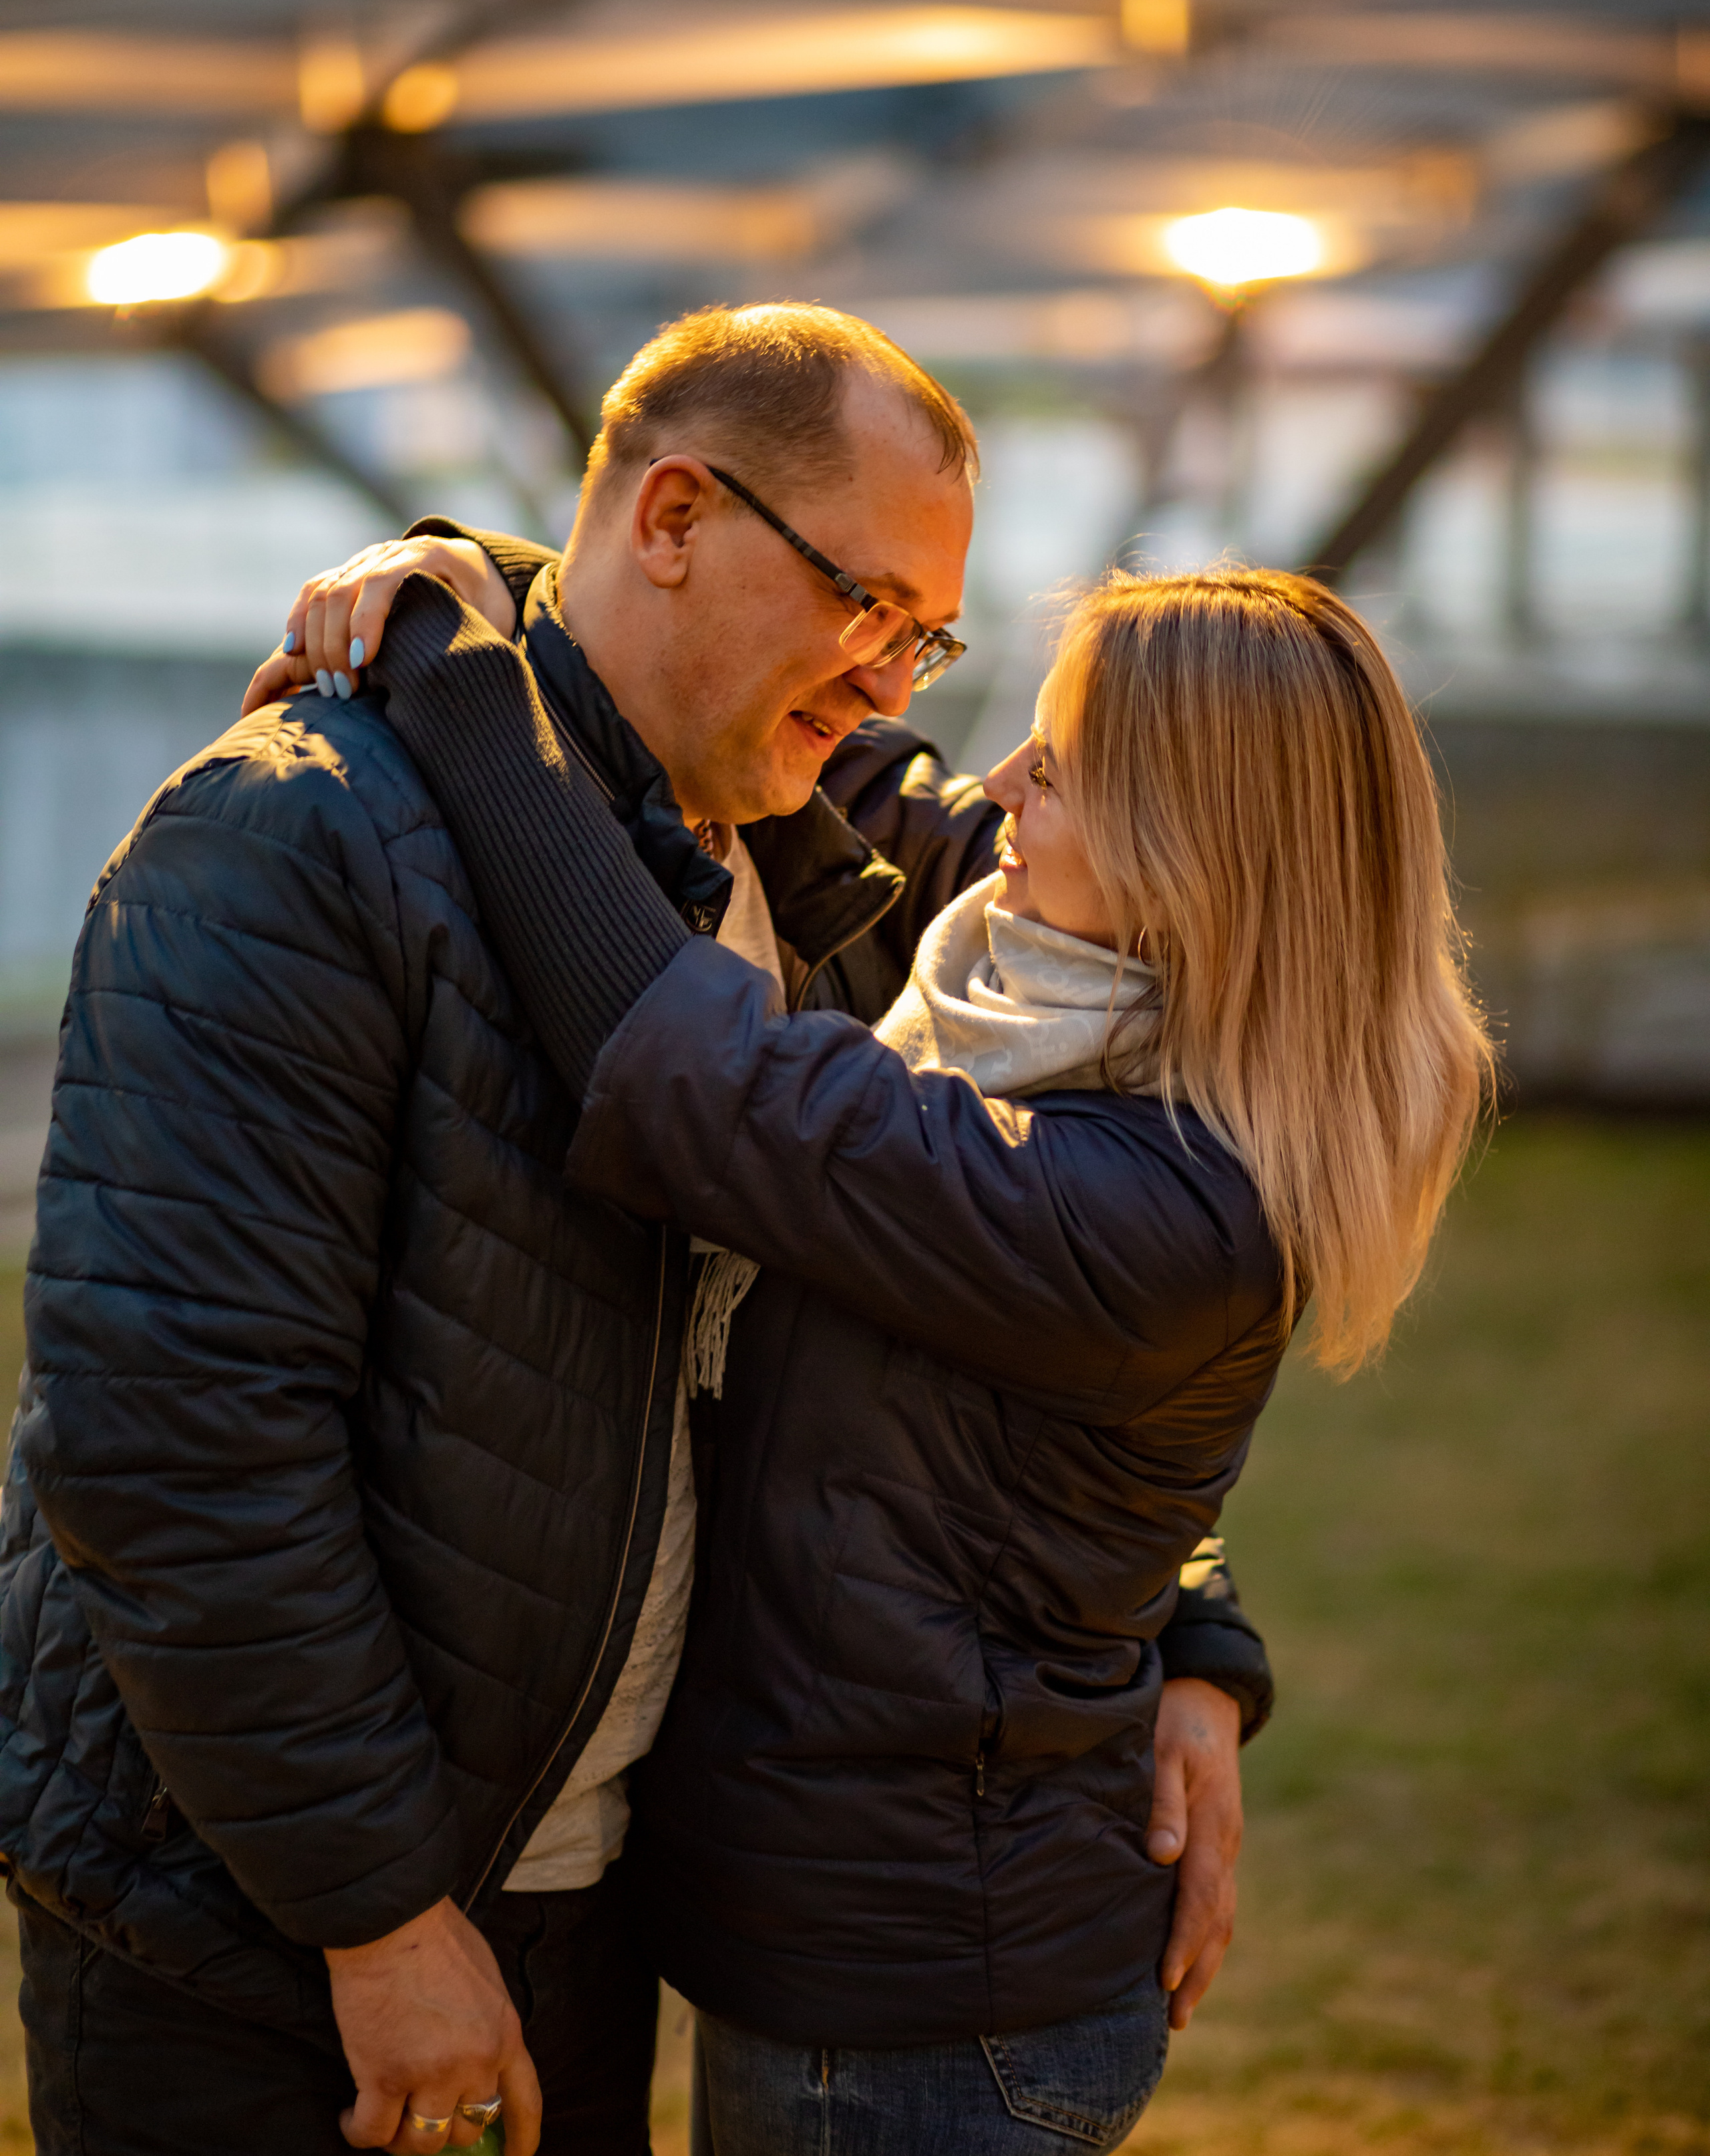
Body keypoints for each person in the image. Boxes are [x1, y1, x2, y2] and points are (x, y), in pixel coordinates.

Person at [0, 303, 1270, 2156]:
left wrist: (1191, 1629)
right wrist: (377, 1917)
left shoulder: (829, 862)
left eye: (930, 633)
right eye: (867, 604)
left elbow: (1067, 1295)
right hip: (267, 1935)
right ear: (673, 516)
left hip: (588, 1902)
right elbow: (177, 1443)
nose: (901, 685)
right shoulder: (289, 842)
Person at [310, 549, 1494, 2154]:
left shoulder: (1139, 1200)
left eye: (1056, 771)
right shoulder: (1089, 1001)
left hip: (923, 2025)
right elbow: (837, 745)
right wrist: (519, 568)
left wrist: (457, 676)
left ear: (1184, 857)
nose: (997, 783)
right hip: (906, 1951)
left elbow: (679, 1072)